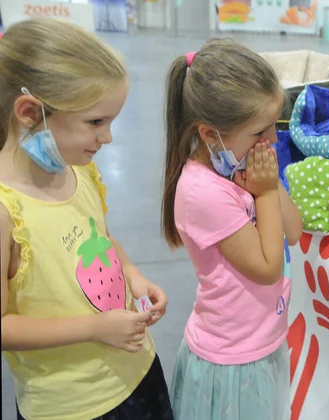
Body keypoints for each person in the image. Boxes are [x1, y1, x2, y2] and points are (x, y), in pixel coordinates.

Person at [0, 18, 173, 420]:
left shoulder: (78, 170)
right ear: (29, 112)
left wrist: (133, 275)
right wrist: (95, 329)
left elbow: (101, 237)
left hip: (137, 371)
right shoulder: (7, 212)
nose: (108, 137)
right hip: (72, 407)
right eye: (96, 122)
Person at [161, 39, 303, 420]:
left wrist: (268, 188)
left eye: (274, 125)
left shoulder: (237, 167)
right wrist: (267, 191)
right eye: (260, 132)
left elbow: (292, 231)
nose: (272, 140)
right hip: (231, 361)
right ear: (210, 135)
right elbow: (268, 265)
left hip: (261, 343)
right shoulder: (202, 192)